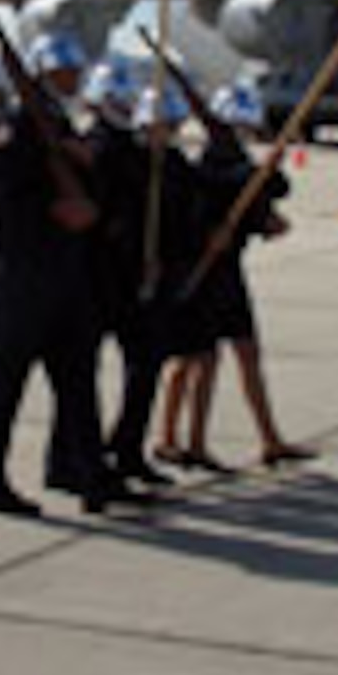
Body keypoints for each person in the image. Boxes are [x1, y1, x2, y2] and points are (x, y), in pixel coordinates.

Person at [0, 33, 136, 518]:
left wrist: (86, 173)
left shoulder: (58, 120)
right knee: (8, 378)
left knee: (78, 376)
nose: (76, 78)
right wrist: (54, 210)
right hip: (23, 268)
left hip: (65, 268)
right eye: (68, 71)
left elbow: (89, 184)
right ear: (44, 73)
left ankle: (87, 473)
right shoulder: (16, 125)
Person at [155, 81, 313, 471]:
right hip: (205, 271)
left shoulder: (239, 163)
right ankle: (175, 437)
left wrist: (265, 218)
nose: (240, 133)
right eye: (234, 126)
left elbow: (271, 192)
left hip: (230, 274)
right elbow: (215, 196)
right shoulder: (210, 165)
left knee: (247, 353)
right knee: (195, 360)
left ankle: (270, 439)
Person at [88, 75, 199, 490]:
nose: (167, 134)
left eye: (172, 128)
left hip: (155, 282)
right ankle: (88, 455)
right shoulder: (122, 159)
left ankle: (128, 446)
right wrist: (136, 254)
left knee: (147, 364)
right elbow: (113, 217)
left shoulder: (173, 165)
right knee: (90, 370)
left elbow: (190, 211)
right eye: (160, 126)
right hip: (114, 279)